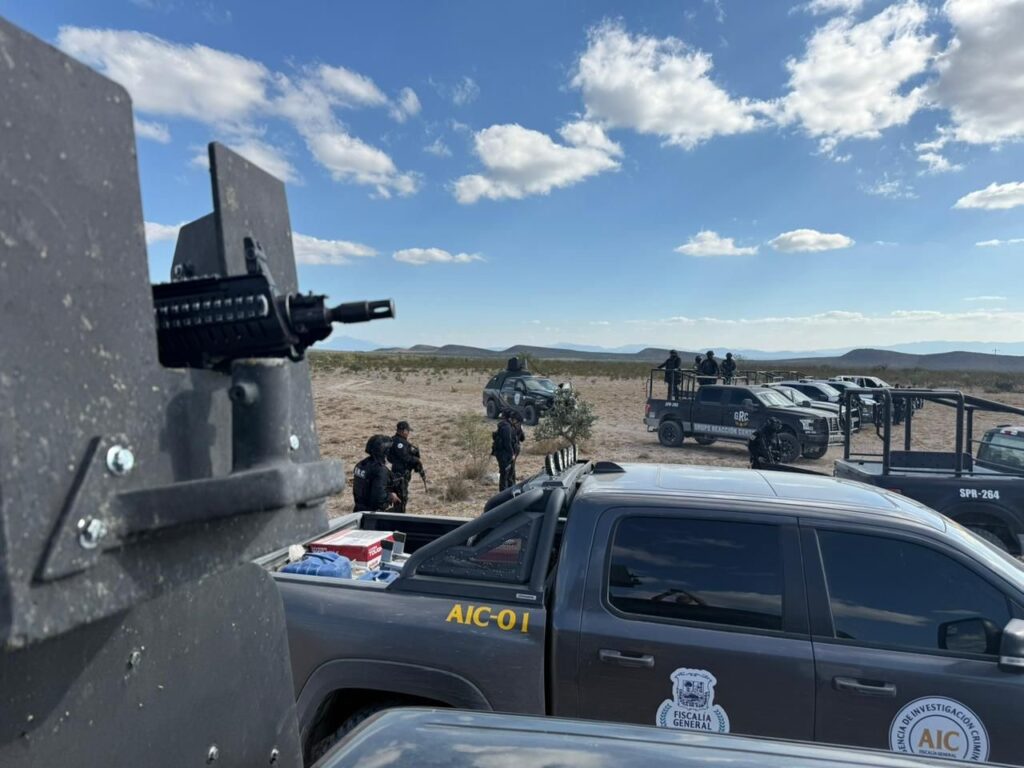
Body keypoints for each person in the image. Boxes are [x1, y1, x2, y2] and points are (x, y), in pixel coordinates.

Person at [353, 434, 400, 512]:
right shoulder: (380, 470)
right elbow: (378, 497)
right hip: (373, 514)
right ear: (385, 451)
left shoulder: (361, 464)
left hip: (359, 510)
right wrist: (390, 496)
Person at [387, 420, 425, 513]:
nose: (408, 433)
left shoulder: (394, 440)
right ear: (403, 431)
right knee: (401, 499)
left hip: (398, 472)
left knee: (400, 498)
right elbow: (405, 457)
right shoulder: (399, 442)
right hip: (401, 474)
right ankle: (396, 516)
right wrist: (416, 460)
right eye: (407, 431)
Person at [492, 410, 522, 491]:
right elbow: (507, 442)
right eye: (516, 421)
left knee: (510, 474)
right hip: (504, 454)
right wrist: (512, 454)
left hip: (506, 454)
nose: (517, 423)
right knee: (505, 474)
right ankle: (503, 493)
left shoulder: (510, 426)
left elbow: (521, 438)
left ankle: (510, 491)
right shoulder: (506, 427)